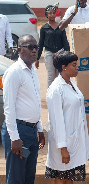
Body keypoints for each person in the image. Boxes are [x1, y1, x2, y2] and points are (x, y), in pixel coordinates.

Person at [1, 34, 45, 184]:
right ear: (19, 49)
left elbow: (35, 102)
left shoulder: (32, 70)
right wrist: (14, 137)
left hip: (31, 131)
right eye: (30, 47)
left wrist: (39, 129)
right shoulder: (14, 72)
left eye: (36, 47)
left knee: (28, 177)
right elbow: (9, 106)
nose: (34, 50)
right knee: (16, 178)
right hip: (19, 131)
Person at [45, 51, 89, 183]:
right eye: (74, 65)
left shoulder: (71, 84)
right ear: (64, 67)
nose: (77, 68)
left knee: (68, 176)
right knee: (62, 176)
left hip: (74, 139)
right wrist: (63, 148)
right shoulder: (56, 89)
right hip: (64, 142)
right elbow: (56, 121)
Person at [35, 5, 70, 87]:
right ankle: (50, 95)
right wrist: (37, 58)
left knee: (59, 75)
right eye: (49, 13)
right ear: (46, 15)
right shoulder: (44, 28)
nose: (52, 15)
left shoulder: (60, 27)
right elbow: (40, 43)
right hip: (49, 53)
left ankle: (59, 93)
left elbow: (65, 42)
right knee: (51, 76)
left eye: (53, 13)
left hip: (60, 53)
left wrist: (68, 56)